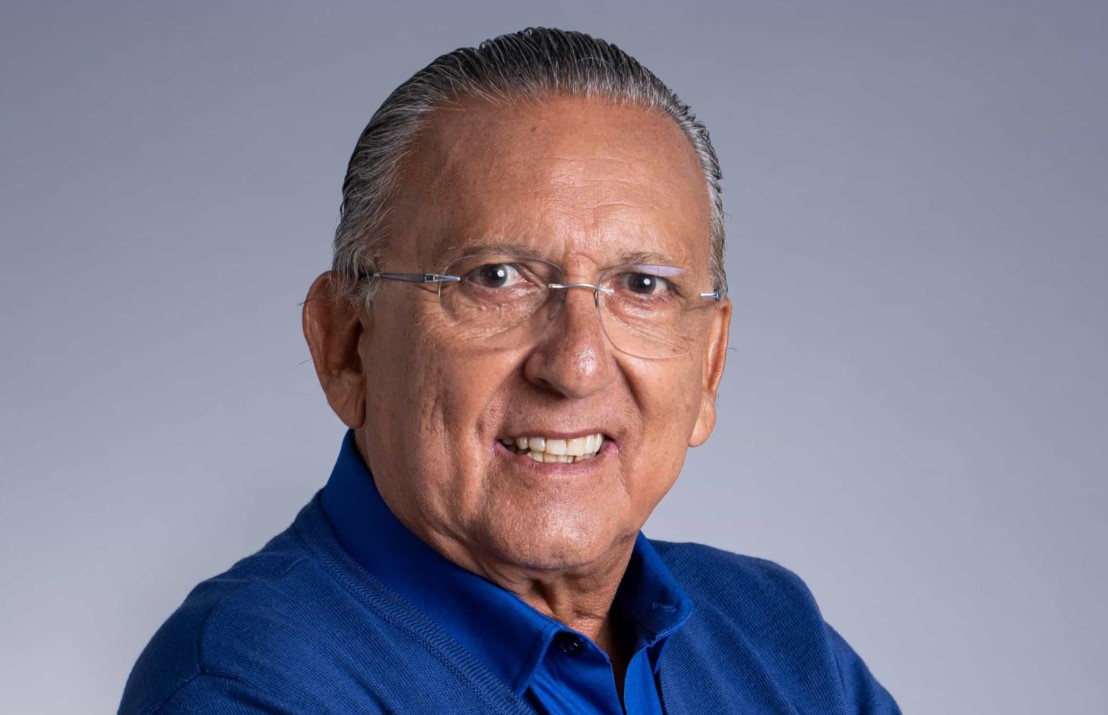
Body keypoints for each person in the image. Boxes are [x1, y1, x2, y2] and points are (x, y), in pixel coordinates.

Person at [119, 27, 899, 714]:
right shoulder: (251, 685)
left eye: (642, 285)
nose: (577, 364)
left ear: (710, 367)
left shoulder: (776, 635)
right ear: (346, 345)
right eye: (495, 278)